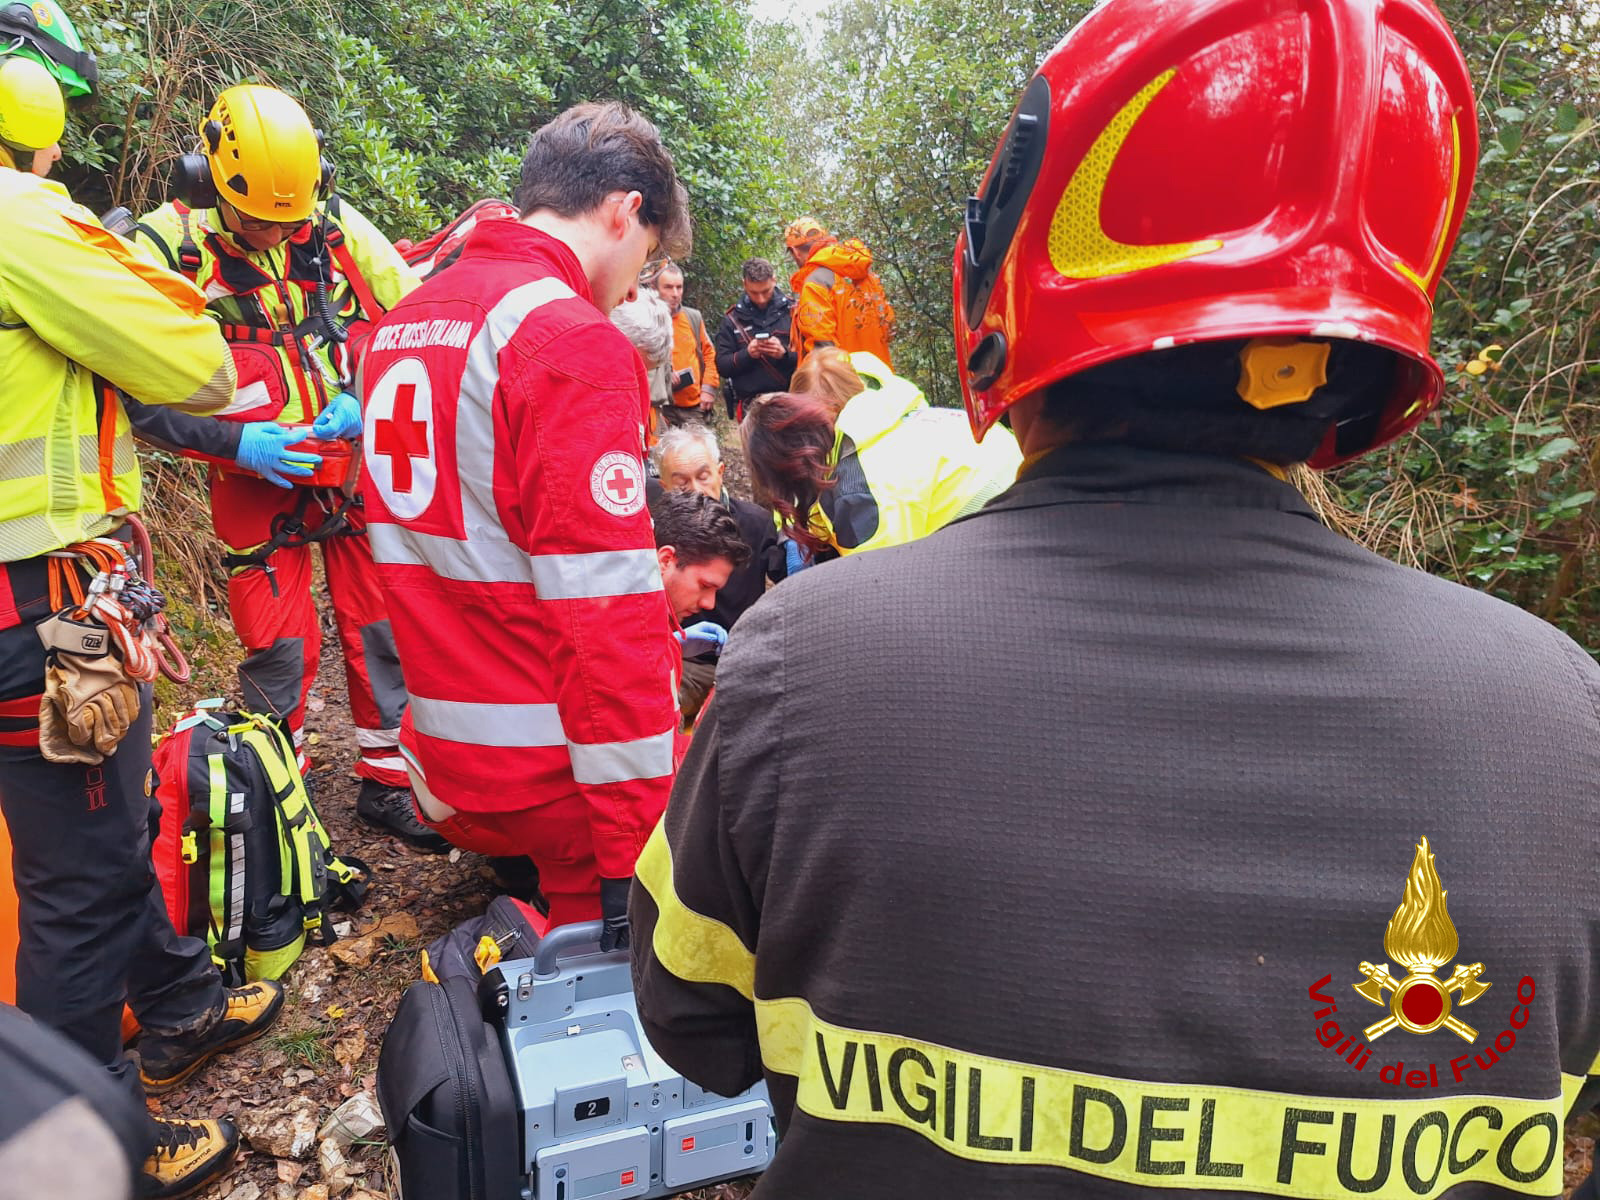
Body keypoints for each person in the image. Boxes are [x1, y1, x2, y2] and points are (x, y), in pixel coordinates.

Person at [631, 3, 1600, 1196]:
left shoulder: (802, 669)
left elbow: (695, 1024)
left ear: (999, 303)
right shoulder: (1565, 723)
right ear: (1352, 363)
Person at [0, 13, 284, 1195]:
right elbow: (198, 363)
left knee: (94, 837)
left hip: (34, 608)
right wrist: (126, 260)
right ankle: (88, 1147)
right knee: (82, 878)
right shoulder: (22, 219)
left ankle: (174, 996)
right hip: (44, 616)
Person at [360, 102, 690, 948]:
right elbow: (605, 615)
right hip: (548, 774)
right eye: (647, 256)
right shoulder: (566, 338)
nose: (632, 284)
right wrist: (635, 849)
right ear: (625, 211)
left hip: (439, 747)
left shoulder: (401, 328)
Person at [124, 85, 434, 847]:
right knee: (279, 642)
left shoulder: (331, 230)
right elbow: (126, 386)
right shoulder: (167, 251)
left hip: (350, 462)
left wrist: (364, 394)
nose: (273, 235)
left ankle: (392, 781)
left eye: (286, 221)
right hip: (251, 475)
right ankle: (274, 796)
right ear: (208, 183)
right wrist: (240, 444)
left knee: (382, 623)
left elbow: (415, 322)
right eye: (259, 219)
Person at [741, 349, 1021, 560]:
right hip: (1024, 477)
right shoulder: (892, 413)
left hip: (995, 523)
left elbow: (882, 582)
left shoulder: (859, 485)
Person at [651, 426, 782, 721]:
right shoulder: (654, 527)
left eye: (703, 476)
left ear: (720, 471)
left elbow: (789, 579)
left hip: (741, 657)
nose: (697, 489)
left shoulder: (756, 523)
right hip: (682, 658)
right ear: (664, 486)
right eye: (682, 482)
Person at [783, 215, 894, 368]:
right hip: (881, 376)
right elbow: (888, 326)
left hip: (845, 384)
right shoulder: (867, 275)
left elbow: (822, 348)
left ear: (794, 252)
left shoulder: (815, 284)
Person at [713, 256, 795, 419]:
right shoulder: (732, 320)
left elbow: (812, 358)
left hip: (790, 402)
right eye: (754, 293)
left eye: (765, 291)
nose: (761, 299)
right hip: (751, 407)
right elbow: (722, 366)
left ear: (774, 280)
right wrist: (748, 354)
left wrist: (784, 355)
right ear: (744, 284)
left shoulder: (793, 312)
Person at [652, 261, 719, 424]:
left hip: (693, 408)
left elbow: (710, 354)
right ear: (655, 289)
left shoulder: (693, 317)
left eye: (679, 287)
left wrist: (708, 389)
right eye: (668, 287)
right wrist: (664, 375)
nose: (675, 293)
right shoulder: (646, 321)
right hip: (660, 408)